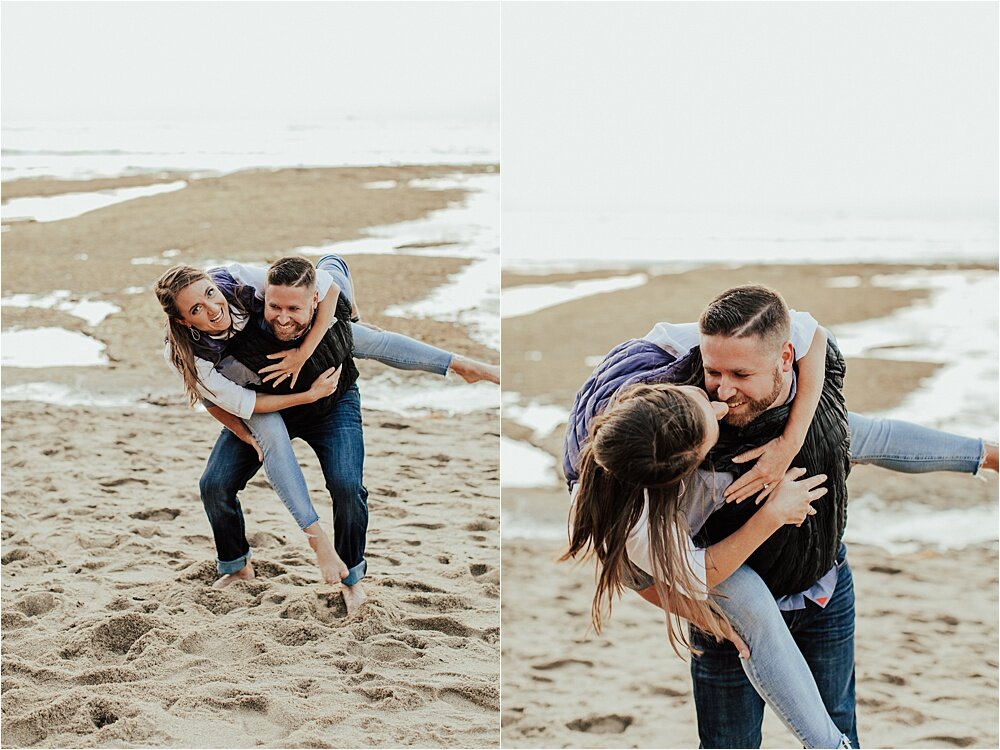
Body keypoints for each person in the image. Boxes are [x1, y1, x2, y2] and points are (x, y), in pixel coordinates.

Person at [563, 285, 997, 749]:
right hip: (728, 594)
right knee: (739, 695)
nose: (720, 397)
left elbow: (816, 343)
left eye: (733, 377)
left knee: (839, 715)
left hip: (822, 588)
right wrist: (768, 520)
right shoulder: (641, 509)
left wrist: (790, 444)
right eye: (712, 386)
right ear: (681, 469)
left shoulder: (676, 351)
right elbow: (662, 574)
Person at [155, 254, 498, 610]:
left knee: (348, 487)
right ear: (182, 320)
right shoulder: (187, 352)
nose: (212, 308)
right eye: (196, 309)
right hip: (270, 407)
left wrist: (304, 353)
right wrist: (250, 432)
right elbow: (225, 401)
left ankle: (350, 576)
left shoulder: (245, 285)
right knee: (215, 484)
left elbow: (363, 328)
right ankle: (237, 565)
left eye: (210, 294)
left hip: (332, 405)